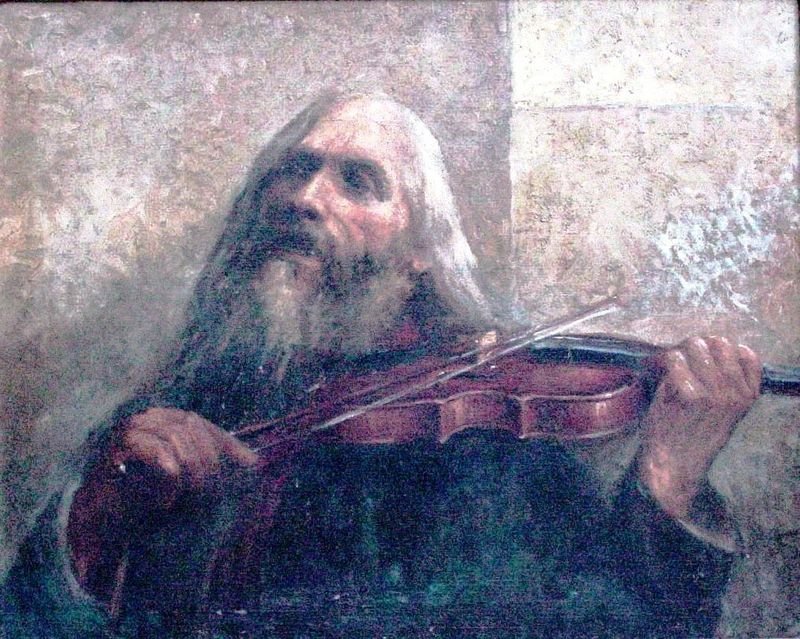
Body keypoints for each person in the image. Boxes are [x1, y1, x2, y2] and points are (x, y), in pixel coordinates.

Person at [3, 94, 762, 638]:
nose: (305, 198)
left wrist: (667, 481)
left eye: (356, 181)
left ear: (420, 254)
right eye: (295, 170)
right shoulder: (181, 401)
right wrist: (93, 522)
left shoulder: (485, 443)